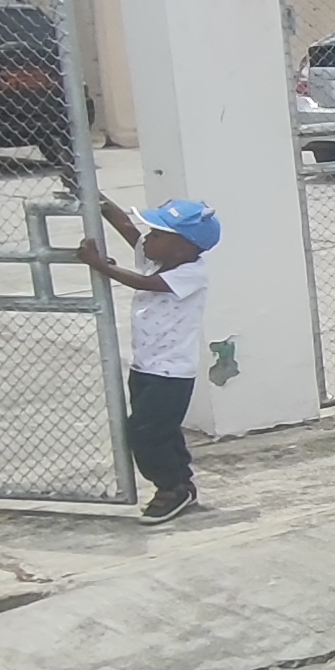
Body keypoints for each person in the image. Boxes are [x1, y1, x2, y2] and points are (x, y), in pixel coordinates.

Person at [79, 196, 221, 524]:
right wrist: (98, 201)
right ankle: (182, 483)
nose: (147, 239)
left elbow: (144, 283)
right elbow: (128, 228)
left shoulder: (190, 273)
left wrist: (100, 265)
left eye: (157, 235)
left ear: (183, 247)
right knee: (163, 430)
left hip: (171, 374)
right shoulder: (159, 258)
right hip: (145, 366)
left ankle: (169, 488)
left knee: (145, 433)